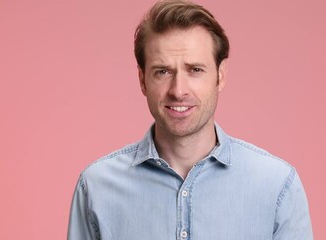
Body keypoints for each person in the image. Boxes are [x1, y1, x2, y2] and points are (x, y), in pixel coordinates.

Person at [67, 0, 313, 239]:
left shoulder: (278, 186)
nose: (178, 90)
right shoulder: (96, 188)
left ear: (220, 75)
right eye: (162, 71)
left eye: (195, 70)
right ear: (142, 80)